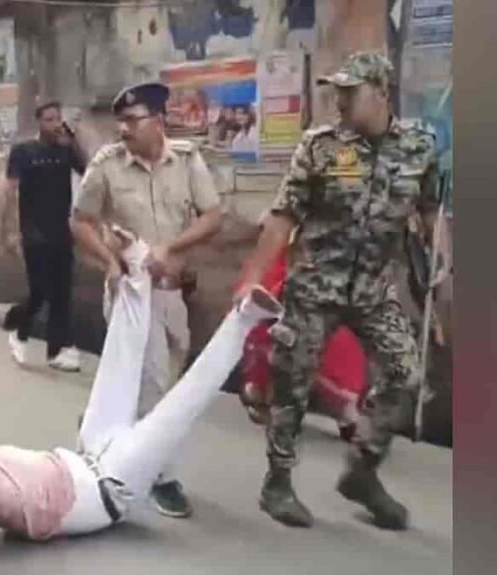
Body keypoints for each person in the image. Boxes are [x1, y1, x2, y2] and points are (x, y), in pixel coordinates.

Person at [0, 232, 283, 539]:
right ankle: (246, 319)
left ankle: (136, 277)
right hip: (111, 487)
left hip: (85, 458)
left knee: (116, 368)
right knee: (178, 408)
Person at [234, 52, 451, 531]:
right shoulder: (321, 147)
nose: (340, 101)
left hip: (374, 288)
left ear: (380, 93)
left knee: (406, 374)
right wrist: (253, 277)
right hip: (314, 286)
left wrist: (441, 258)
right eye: (337, 91)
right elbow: (283, 216)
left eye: (350, 92)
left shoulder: (421, 146)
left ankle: (363, 470)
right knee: (292, 382)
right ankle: (277, 484)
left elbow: (432, 209)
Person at [70, 82, 224, 518]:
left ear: (158, 121)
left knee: (165, 374)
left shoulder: (188, 161)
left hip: (175, 293)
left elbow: (213, 217)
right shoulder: (107, 165)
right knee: (155, 384)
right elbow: (81, 222)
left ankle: (99, 426)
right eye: (119, 121)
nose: (122, 130)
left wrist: (171, 249)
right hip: (132, 293)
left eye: (132, 121)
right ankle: (161, 475)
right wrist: (109, 261)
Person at [236, 244, 367, 441]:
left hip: (332, 368)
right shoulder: (280, 279)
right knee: (265, 335)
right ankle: (270, 397)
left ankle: (345, 412)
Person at [2, 101, 86, 371]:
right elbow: (10, 192)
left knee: (62, 292)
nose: (55, 124)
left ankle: (56, 350)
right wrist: (11, 231)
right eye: (49, 119)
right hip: (33, 232)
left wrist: (73, 140)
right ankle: (18, 326)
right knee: (40, 290)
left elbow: (87, 168)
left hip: (61, 230)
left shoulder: (64, 150)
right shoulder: (24, 152)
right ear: (38, 122)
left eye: (58, 119)